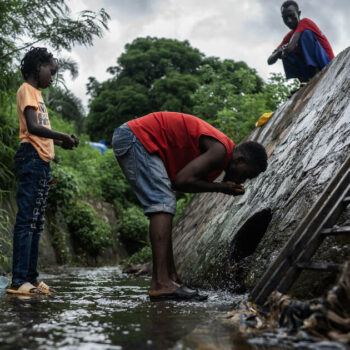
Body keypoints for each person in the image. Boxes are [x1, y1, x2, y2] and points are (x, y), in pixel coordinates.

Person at [112, 112, 267, 301]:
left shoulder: (221, 153)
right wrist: (220, 188)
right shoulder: (220, 151)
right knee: (162, 202)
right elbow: (182, 180)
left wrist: (220, 187)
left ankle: (171, 279)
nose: (243, 180)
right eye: (246, 174)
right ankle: (161, 283)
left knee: (165, 203)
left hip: (136, 138)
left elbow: (180, 183)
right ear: (240, 160)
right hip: (136, 138)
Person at [6, 47, 79, 296]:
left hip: (42, 161)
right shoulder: (27, 90)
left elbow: (40, 130)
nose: (53, 76)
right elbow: (33, 128)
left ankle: (32, 279)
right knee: (27, 221)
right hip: (31, 159)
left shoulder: (37, 94)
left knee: (37, 222)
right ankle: (18, 281)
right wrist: (61, 135)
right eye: (52, 71)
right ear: (39, 66)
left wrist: (63, 142)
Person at [268, 0, 334, 83]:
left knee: (306, 34)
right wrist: (278, 53)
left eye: (291, 16)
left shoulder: (305, 22)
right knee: (283, 52)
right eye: (285, 18)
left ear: (298, 14)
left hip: (325, 62)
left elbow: (290, 47)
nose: (289, 21)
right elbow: (269, 61)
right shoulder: (289, 36)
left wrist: (283, 49)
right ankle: (303, 81)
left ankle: (316, 73)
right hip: (308, 72)